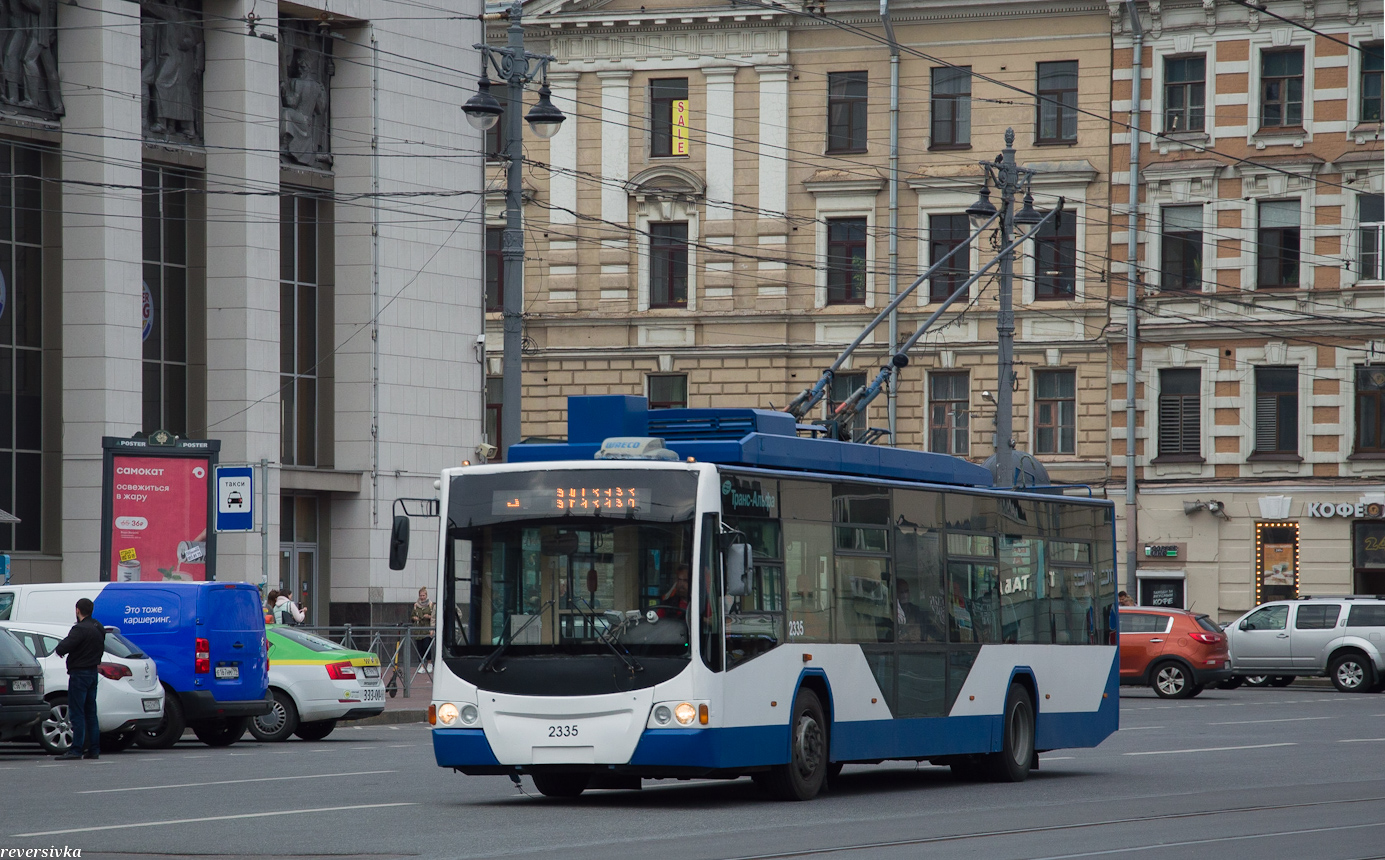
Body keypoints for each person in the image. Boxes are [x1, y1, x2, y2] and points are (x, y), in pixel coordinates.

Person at [53, 598, 105, 760]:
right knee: (91, 713)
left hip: (79, 674)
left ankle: (76, 749)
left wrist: (60, 650)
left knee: (77, 713)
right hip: (93, 672)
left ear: (77, 610)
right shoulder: (98, 627)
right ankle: (94, 749)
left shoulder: (80, 629)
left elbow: (63, 647)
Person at [410, 587, 435, 670]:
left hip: (427, 630)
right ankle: (421, 665)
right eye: (420, 595)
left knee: (426, 646)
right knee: (419, 649)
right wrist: (414, 618)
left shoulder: (430, 605)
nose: (422, 597)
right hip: (418, 630)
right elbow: (412, 616)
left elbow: (434, 617)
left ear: (426, 595)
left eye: (423, 595)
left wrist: (429, 616)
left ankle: (429, 663)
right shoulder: (416, 605)